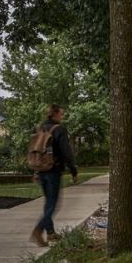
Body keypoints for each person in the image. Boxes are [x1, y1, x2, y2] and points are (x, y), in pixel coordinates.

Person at [30, 104, 79, 246]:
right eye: (61, 114)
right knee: (53, 204)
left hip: (40, 170)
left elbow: (35, 150)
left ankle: (50, 233)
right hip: (53, 171)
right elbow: (66, 152)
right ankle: (38, 230)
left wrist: (35, 171)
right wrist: (73, 170)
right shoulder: (59, 129)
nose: (62, 117)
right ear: (55, 114)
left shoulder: (40, 128)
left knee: (48, 203)